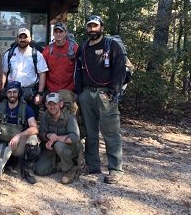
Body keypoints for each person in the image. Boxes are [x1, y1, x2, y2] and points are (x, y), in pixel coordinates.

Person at [74, 15, 126, 184]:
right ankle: (92, 165)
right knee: (90, 133)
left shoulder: (112, 45)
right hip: (87, 94)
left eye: (95, 26)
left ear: (101, 27)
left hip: (106, 95)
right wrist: (79, 92)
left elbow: (120, 70)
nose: (92, 29)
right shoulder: (83, 47)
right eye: (90, 26)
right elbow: (78, 71)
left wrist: (113, 91)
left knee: (111, 132)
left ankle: (115, 169)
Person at [0, 81, 40, 184]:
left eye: (15, 92)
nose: (12, 95)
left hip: (18, 144)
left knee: (33, 138)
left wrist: (19, 135)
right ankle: (9, 161)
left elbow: (35, 128)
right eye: (9, 92)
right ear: (6, 94)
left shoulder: (25, 108)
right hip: (2, 142)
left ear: (19, 93)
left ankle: (27, 170)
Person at [35, 93, 83, 184]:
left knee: (59, 145)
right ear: (46, 105)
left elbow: (75, 137)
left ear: (60, 104)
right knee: (39, 170)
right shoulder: (45, 116)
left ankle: (70, 169)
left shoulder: (69, 116)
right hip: (52, 149)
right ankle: (59, 165)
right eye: (50, 104)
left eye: (55, 104)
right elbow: (41, 133)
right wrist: (48, 136)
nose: (52, 107)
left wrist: (55, 138)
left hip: (70, 147)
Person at [3, 28, 48, 118]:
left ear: (30, 39)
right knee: (13, 118)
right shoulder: (9, 54)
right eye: (20, 37)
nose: (22, 39)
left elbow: (42, 74)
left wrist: (40, 93)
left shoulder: (36, 54)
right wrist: (2, 90)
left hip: (31, 93)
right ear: (17, 39)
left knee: (31, 118)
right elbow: (4, 73)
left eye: (25, 37)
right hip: (13, 93)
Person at [42, 22, 79, 113]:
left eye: (61, 31)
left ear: (65, 33)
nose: (58, 34)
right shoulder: (48, 49)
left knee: (69, 116)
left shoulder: (74, 48)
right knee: (52, 117)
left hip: (68, 89)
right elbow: (41, 70)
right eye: (56, 31)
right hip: (51, 89)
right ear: (53, 33)